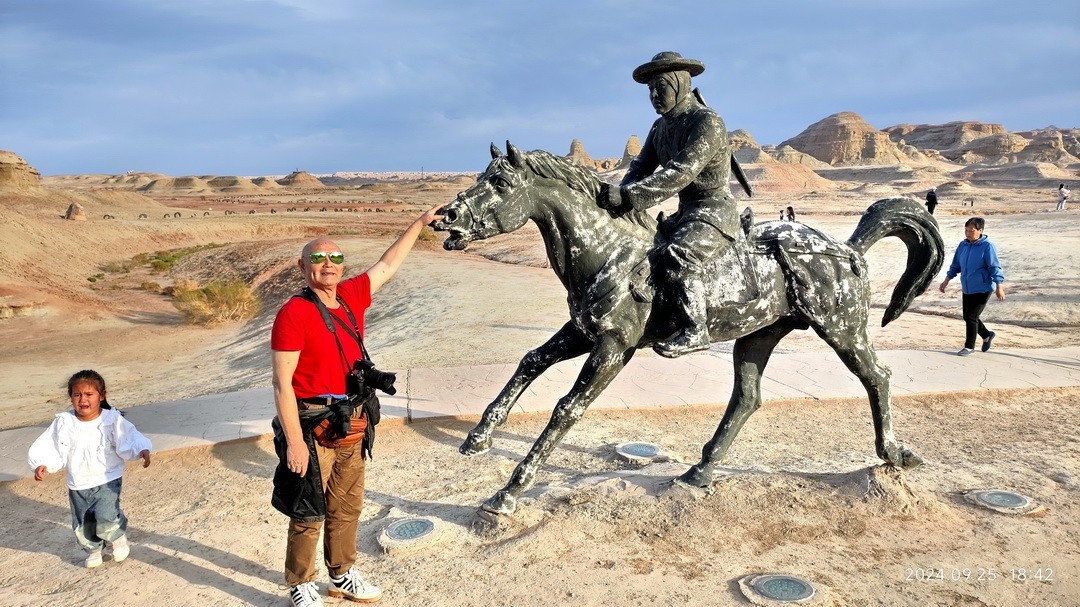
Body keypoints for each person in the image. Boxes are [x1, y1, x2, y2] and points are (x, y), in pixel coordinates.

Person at [271, 204, 443, 607]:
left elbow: (386, 265)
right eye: (317, 258)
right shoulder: (293, 313)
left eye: (335, 258)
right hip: (312, 423)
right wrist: (294, 443)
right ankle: (300, 581)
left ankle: (342, 574)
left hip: (353, 418)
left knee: (347, 505)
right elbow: (281, 384)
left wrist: (418, 224)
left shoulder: (349, 297)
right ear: (302, 266)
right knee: (309, 508)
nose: (327, 265)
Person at [597, 51, 737, 358]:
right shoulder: (659, 128)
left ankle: (696, 328)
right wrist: (619, 194)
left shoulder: (708, 122)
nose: (653, 95)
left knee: (679, 255)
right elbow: (640, 167)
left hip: (713, 210)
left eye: (660, 87)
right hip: (685, 213)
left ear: (680, 85)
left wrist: (631, 198)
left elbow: (681, 172)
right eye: (649, 90)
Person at [27, 370, 152, 568]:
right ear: (71, 397)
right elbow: (50, 444)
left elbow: (129, 436)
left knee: (106, 514)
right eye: (77, 395)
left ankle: (117, 538)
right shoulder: (64, 422)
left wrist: (141, 449)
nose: (82, 399)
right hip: (78, 482)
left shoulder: (111, 419)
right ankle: (93, 550)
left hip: (107, 478)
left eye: (89, 394)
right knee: (83, 520)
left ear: (101, 395)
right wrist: (41, 462)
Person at [938, 217, 1005, 356]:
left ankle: (969, 346)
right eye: (966, 230)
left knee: (972, 316)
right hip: (967, 287)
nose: (968, 233)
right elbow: (956, 265)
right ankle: (987, 335)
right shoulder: (963, 245)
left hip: (983, 287)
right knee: (968, 316)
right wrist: (946, 280)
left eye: (971, 230)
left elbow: (994, 267)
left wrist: (999, 286)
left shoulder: (988, 246)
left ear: (980, 230)